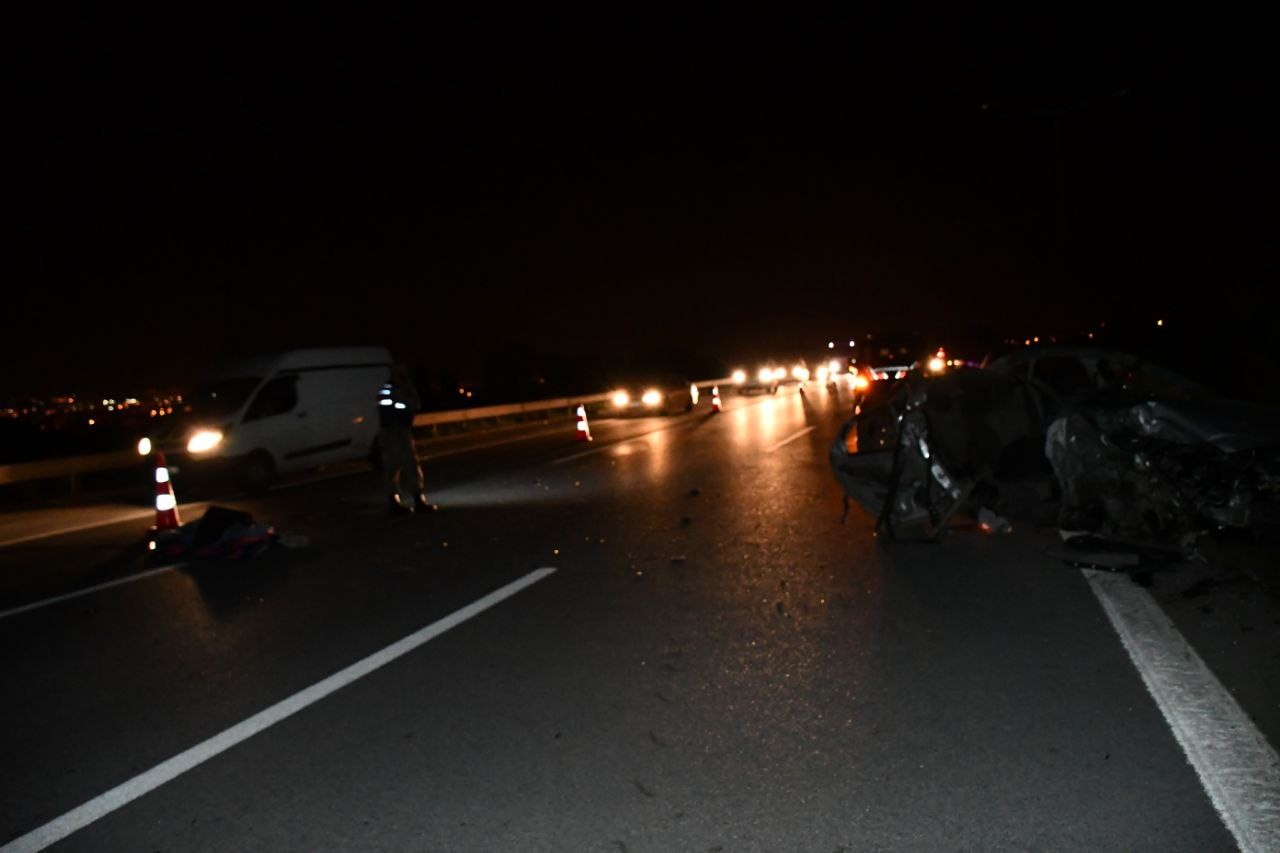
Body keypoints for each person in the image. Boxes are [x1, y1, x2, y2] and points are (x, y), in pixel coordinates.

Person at [378, 362, 435, 514]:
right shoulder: (386, 387)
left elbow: (415, 404)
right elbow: (386, 405)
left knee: (410, 463)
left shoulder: (406, 387)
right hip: (390, 430)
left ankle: (418, 498)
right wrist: (401, 402)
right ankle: (394, 500)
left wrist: (401, 401)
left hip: (403, 430)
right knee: (392, 465)